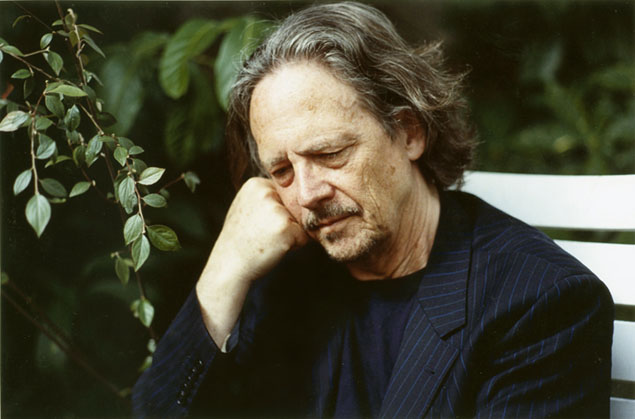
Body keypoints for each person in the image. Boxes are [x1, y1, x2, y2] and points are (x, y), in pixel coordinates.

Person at [132, 2, 613, 417]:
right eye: (281, 170)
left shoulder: (539, 301)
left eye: (330, 154)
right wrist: (224, 269)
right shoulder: (282, 275)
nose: (307, 193)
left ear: (409, 133)